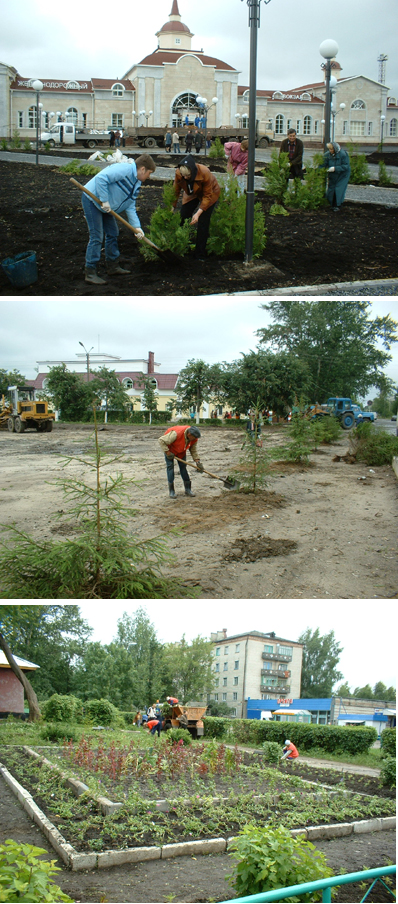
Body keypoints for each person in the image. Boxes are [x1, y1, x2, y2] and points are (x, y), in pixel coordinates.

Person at [81, 153, 156, 285]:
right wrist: (104, 200)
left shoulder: (136, 182)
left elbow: (130, 205)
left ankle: (113, 266)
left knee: (113, 233)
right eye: (149, 173)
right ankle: (90, 271)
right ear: (142, 169)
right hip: (92, 199)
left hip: (107, 207)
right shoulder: (124, 169)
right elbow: (101, 178)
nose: (149, 177)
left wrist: (136, 227)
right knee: (97, 236)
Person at [173, 154, 220, 260]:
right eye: (183, 176)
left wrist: (198, 213)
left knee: (203, 221)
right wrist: (172, 207)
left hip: (210, 193)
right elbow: (175, 191)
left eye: (188, 176)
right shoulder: (179, 173)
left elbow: (207, 196)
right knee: (184, 216)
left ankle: (200, 253)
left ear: (193, 171)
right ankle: (184, 245)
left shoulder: (204, 172)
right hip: (192, 192)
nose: (185, 178)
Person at [158, 423, 204, 498]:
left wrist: (198, 462)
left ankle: (188, 489)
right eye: (194, 437)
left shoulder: (194, 438)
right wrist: (167, 452)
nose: (195, 439)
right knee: (170, 467)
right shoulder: (176, 434)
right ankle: (171, 491)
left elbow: (193, 450)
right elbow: (161, 440)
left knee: (183, 467)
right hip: (170, 450)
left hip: (181, 451)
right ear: (189, 434)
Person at [319, 141, 351, 211]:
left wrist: (335, 168)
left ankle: (337, 205)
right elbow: (322, 164)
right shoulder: (327, 155)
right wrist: (319, 170)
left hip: (343, 175)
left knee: (339, 189)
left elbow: (346, 166)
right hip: (333, 174)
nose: (330, 151)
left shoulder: (343, 154)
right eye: (329, 149)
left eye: (332, 149)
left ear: (335, 149)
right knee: (331, 188)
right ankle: (331, 204)